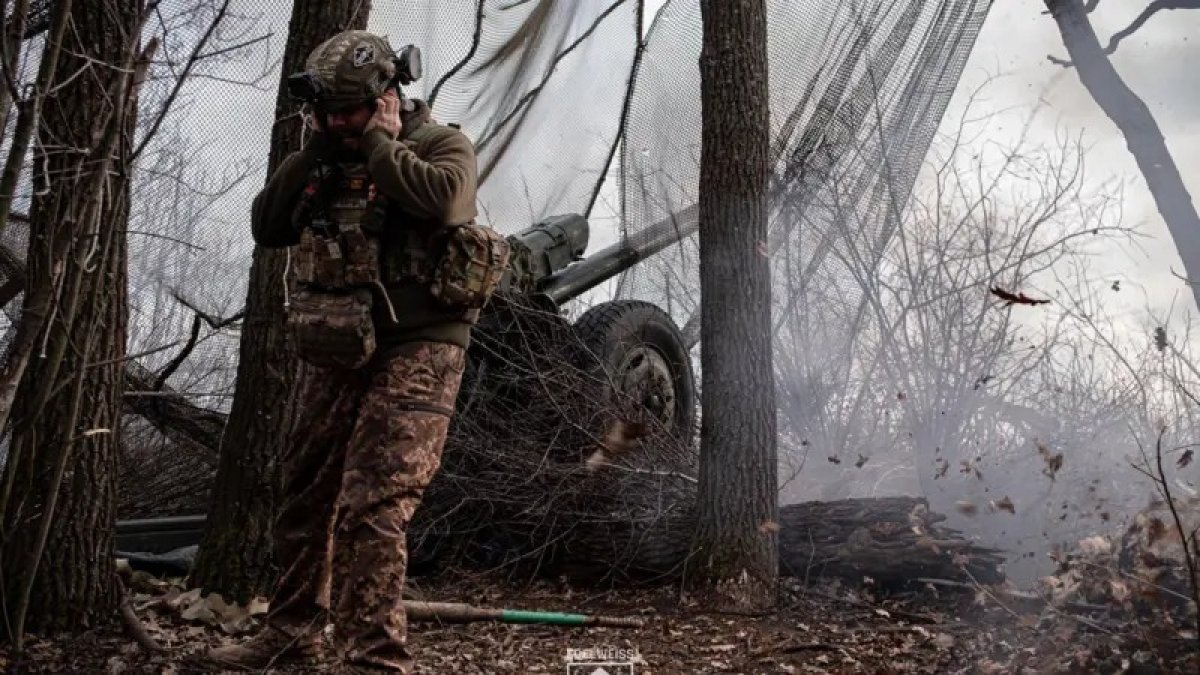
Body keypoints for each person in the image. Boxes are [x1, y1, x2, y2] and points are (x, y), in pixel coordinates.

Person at [203, 30, 506, 673]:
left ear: (387, 96)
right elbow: (268, 225)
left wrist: (379, 145)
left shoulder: (439, 144)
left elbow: (446, 202)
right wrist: (316, 146)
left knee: (374, 504)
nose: (340, 122)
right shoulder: (324, 153)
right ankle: (290, 635)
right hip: (339, 343)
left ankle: (373, 659)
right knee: (305, 491)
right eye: (329, 112)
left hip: (420, 347)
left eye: (350, 111)